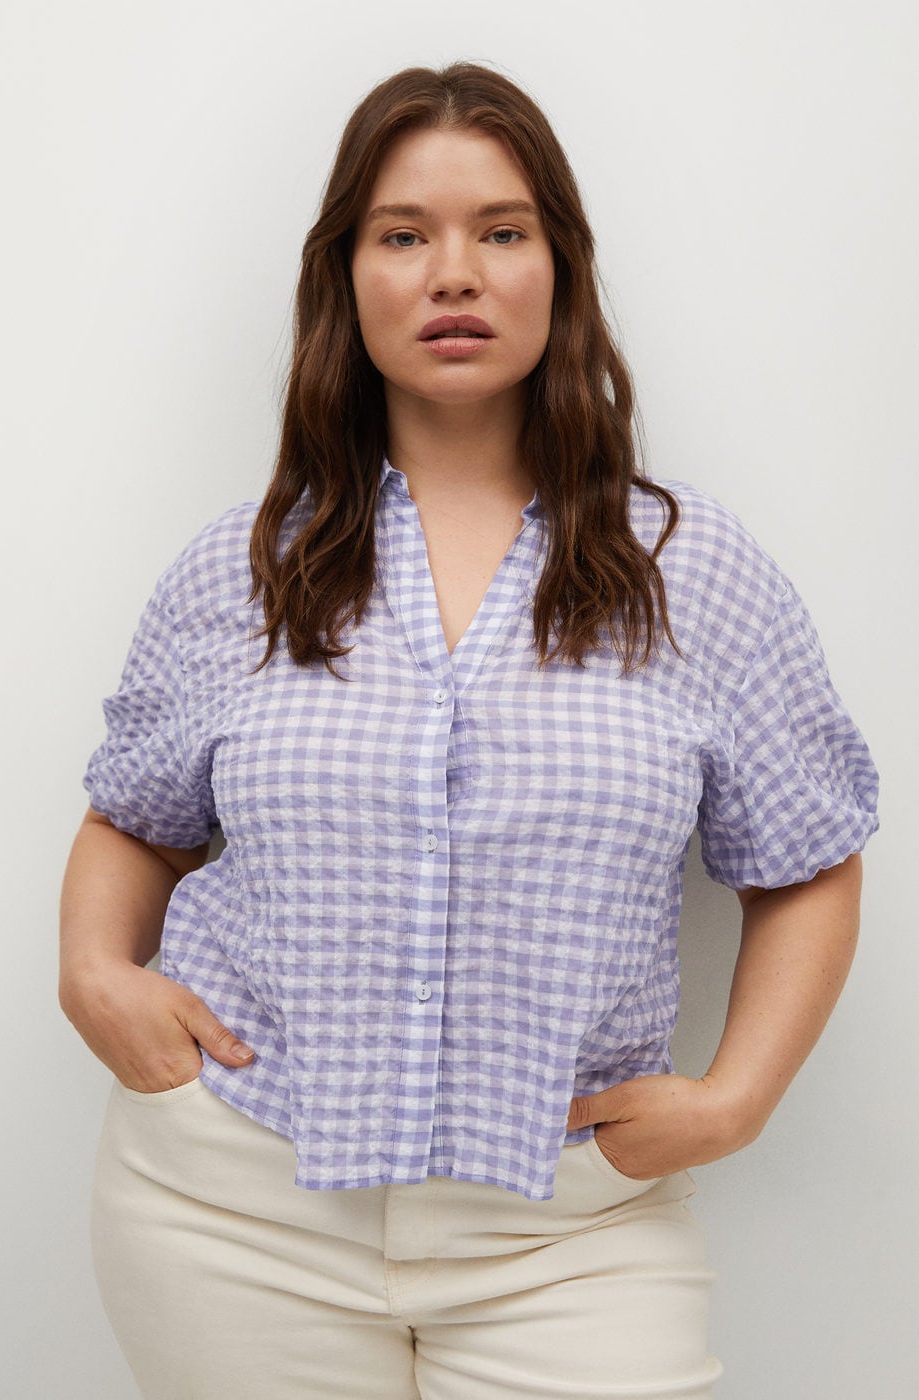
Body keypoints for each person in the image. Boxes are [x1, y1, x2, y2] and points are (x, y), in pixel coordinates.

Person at [59, 62, 879, 1400]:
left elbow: (806, 860)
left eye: (501, 231)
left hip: (573, 1232)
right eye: (403, 235)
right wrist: (95, 975)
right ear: (347, 278)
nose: (454, 274)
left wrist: (735, 1099)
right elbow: (135, 821)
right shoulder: (242, 571)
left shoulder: (691, 570)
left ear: (560, 269)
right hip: (228, 1212)